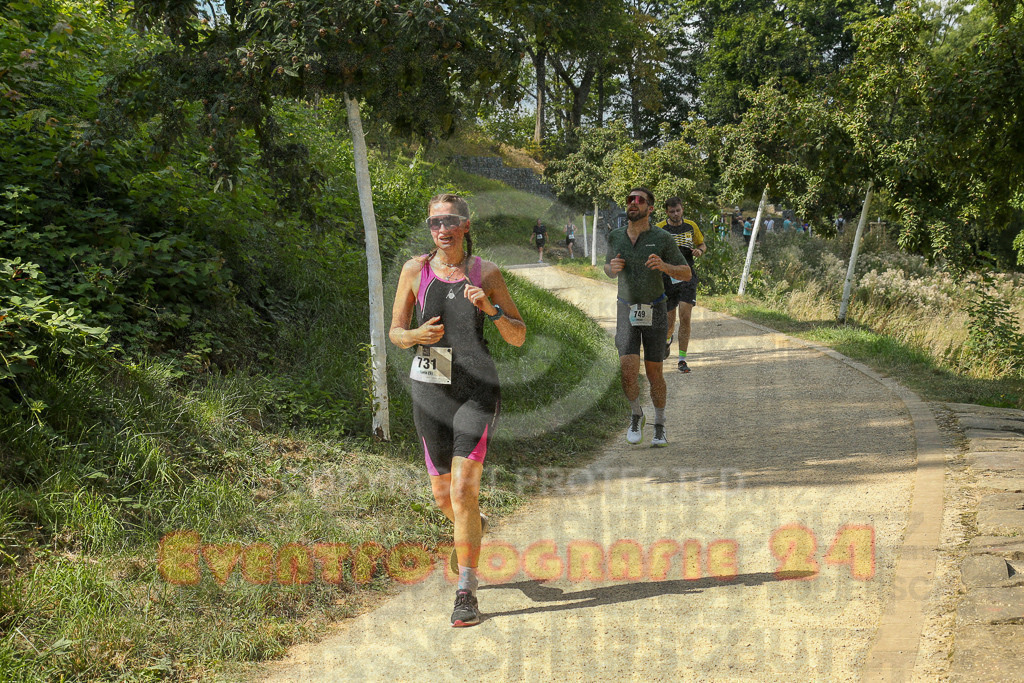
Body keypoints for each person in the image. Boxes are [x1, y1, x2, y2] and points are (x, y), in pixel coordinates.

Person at [389, 193, 526, 627]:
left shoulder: (486, 273)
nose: (442, 228)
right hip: (430, 393)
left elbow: (518, 335)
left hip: (476, 392)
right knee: (443, 496)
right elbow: (395, 332)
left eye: (450, 220)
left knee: (464, 490)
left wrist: (491, 309)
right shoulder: (415, 271)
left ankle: (466, 590)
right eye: (435, 222)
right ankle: (475, 525)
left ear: (466, 225)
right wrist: (415, 336)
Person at [604, 187, 690, 447]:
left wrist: (664, 266)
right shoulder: (616, 236)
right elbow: (607, 267)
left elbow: (686, 272)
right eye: (629, 199)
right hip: (625, 309)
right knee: (628, 373)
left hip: (655, 310)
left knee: (654, 374)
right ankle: (636, 415)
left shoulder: (662, 238)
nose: (633, 203)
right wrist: (611, 268)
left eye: (639, 200)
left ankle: (660, 425)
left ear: (650, 208)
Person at [656, 197, 706, 373]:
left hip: (687, 276)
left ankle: (682, 360)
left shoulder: (691, 226)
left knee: (685, 317)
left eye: (678, 210)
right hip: (667, 278)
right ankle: (667, 340)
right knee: (669, 322)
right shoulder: (660, 228)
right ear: (667, 212)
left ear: (682, 209)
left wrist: (699, 251)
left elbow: (702, 244)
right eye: (672, 211)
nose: (676, 214)